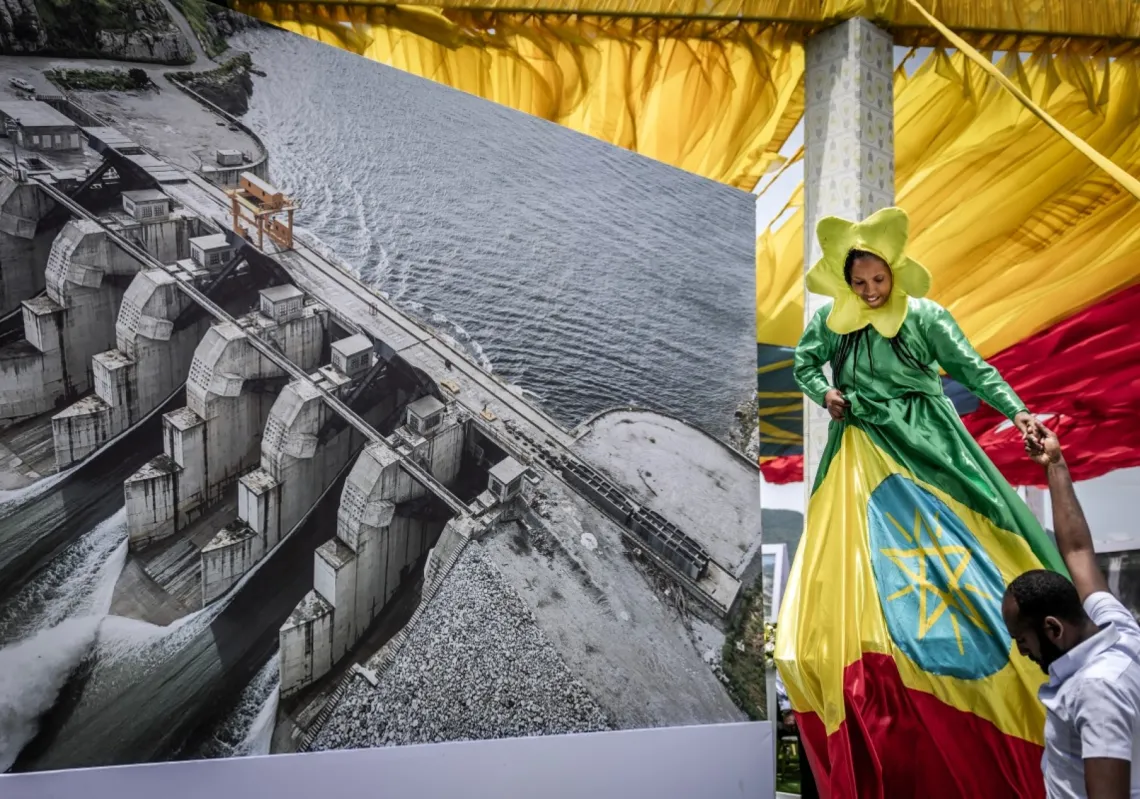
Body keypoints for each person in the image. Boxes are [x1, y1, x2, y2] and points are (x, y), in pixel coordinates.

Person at [776, 206, 1064, 798]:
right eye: (859, 284)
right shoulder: (834, 321)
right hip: (861, 442)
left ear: (894, 271)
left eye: (878, 280)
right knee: (855, 552)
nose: (870, 291)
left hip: (929, 440)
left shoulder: (925, 316)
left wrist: (1019, 413)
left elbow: (972, 369)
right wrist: (826, 391)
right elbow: (802, 363)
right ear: (846, 283)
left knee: (973, 539)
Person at [1003, 426, 1140, 799]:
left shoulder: (1097, 689)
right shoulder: (1119, 630)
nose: (1022, 653)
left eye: (1023, 640)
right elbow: (1078, 551)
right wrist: (1055, 465)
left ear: (1052, 628)